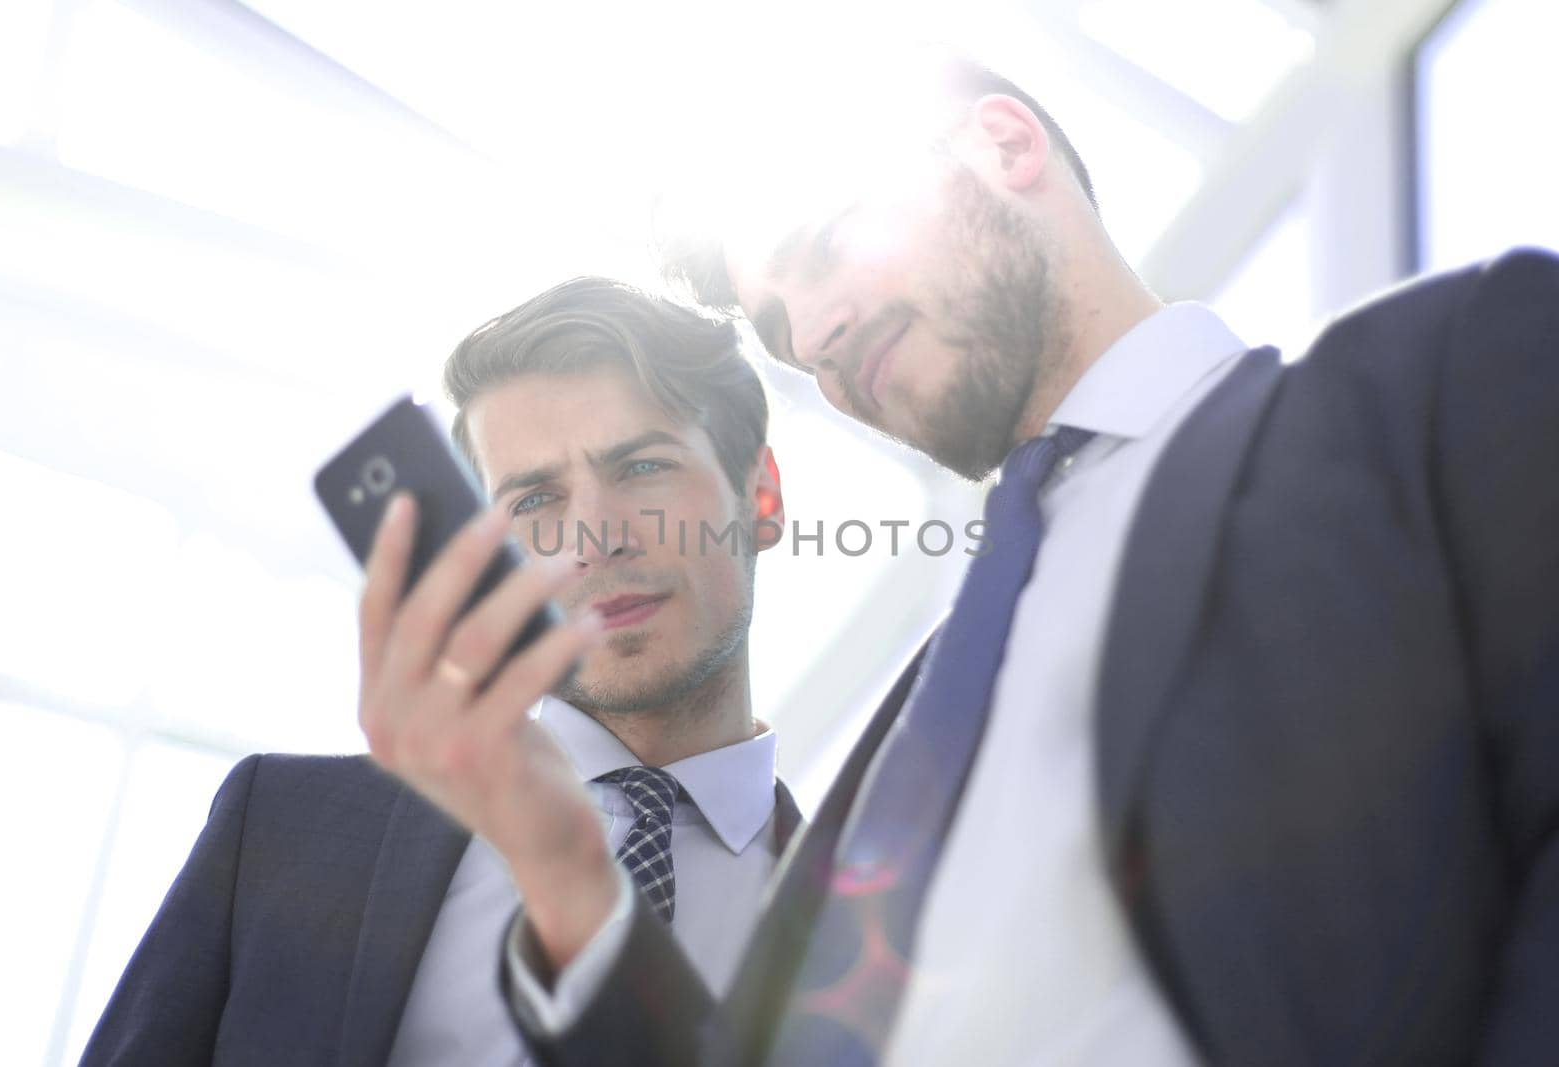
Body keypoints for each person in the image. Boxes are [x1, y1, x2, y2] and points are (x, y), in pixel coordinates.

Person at [489, 58, 1559, 1066]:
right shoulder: (908, 719)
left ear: (1004, 146)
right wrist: (564, 879)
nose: (813, 329)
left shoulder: (1440, 380)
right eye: (777, 325)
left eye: (829, 242)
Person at [79, 277, 800, 1066]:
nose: (596, 536)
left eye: (641, 468)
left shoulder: (870, 917)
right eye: (533, 501)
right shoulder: (281, 829)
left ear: (759, 495)